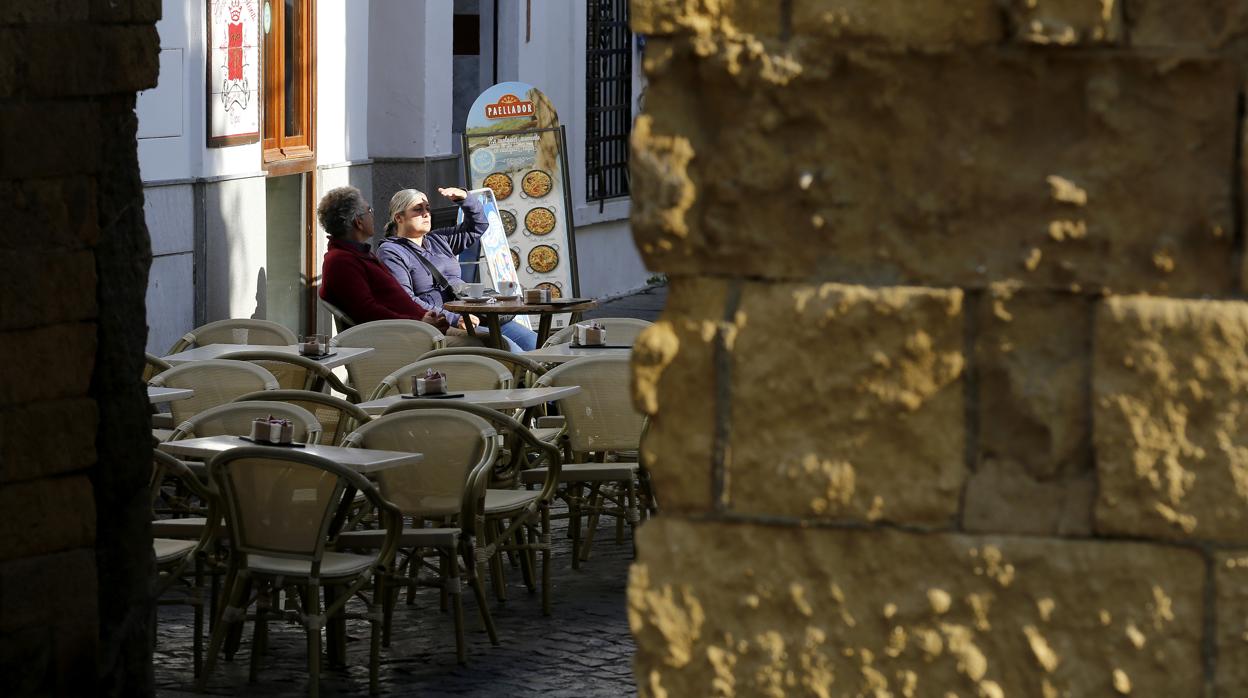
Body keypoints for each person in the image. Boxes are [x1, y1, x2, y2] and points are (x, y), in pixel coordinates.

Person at [378, 187, 539, 351]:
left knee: (535, 343)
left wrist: (464, 199)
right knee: (513, 351)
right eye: (418, 210)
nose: (426, 214)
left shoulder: (439, 239)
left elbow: (479, 225)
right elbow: (406, 298)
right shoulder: (391, 251)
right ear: (399, 218)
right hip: (446, 323)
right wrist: (453, 318)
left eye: (427, 208)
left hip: (477, 313)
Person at [316, 185, 451, 331]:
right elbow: (368, 312)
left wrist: (424, 316)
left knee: (476, 338)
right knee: (474, 343)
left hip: (418, 326)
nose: (372, 215)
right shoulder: (341, 262)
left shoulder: (360, 254)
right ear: (358, 222)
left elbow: (394, 299)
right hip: (404, 336)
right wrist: (419, 322)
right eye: (369, 211)